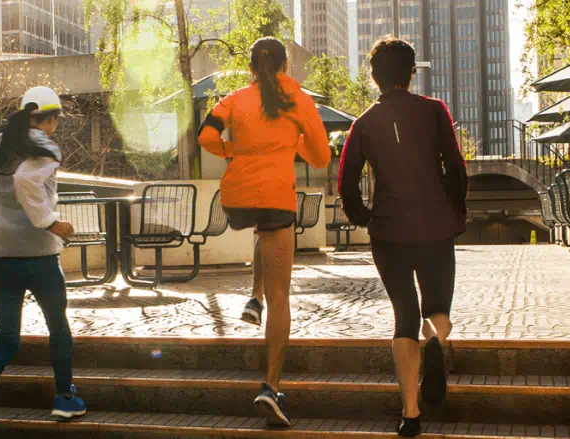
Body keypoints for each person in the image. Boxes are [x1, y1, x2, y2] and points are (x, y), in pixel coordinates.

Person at [337, 36, 468, 438]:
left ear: (373, 77)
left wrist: (367, 218)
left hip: (388, 232)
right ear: (412, 73)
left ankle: (410, 414)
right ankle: (435, 342)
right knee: (437, 311)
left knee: (404, 315)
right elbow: (456, 168)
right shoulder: (434, 111)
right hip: (435, 226)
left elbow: (346, 185)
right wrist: (454, 212)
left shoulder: (362, 124)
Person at [198, 37, 330, 428]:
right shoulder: (299, 101)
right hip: (275, 199)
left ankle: (252, 298)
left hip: (237, 198)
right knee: (281, 292)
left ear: (252, 68)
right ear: (285, 67)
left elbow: (207, 137)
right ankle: (271, 386)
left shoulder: (234, 99)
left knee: (263, 232)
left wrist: (232, 153)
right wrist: (293, 139)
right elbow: (322, 157)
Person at [0, 86, 87, 439]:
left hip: (0, 257)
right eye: (56, 117)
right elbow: (26, 180)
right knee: (57, 327)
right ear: (50, 117)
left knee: (5, 342)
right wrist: (50, 223)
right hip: (41, 258)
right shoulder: (44, 145)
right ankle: (64, 398)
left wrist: (1, 222)